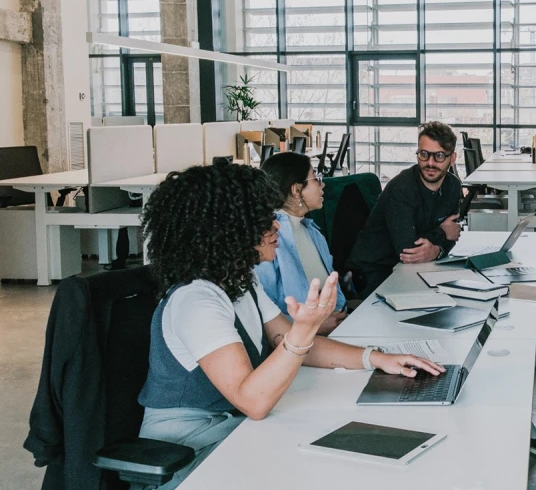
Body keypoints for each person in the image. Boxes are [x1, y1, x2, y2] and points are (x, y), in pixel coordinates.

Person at [136, 163, 443, 489]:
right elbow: (253, 401)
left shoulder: (239, 281)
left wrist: (376, 358)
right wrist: (304, 329)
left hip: (234, 432)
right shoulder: (197, 300)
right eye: (261, 219)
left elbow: (287, 339)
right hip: (189, 455)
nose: (275, 225)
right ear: (227, 229)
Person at [346, 122, 463, 298]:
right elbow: (408, 251)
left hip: (415, 270)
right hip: (374, 273)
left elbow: (451, 237)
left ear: (452, 158)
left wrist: (437, 250)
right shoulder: (401, 188)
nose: (430, 163)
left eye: (439, 156)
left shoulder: (453, 186)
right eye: (424, 154)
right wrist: (442, 233)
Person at [255, 152, 348, 336]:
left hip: (337, 329)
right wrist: (315, 326)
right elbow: (262, 313)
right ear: (296, 190)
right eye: (316, 178)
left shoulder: (312, 231)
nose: (323, 184)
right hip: (298, 341)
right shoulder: (267, 240)